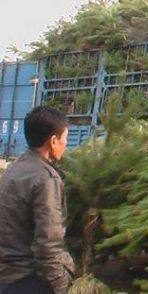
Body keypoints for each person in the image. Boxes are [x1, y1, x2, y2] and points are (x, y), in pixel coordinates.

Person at [0, 107, 74, 294]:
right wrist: (62, 286)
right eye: (65, 138)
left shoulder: (15, 168)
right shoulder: (46, 179)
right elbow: (49, 246)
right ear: (53, 141)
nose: (66, 144)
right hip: (25, 279)